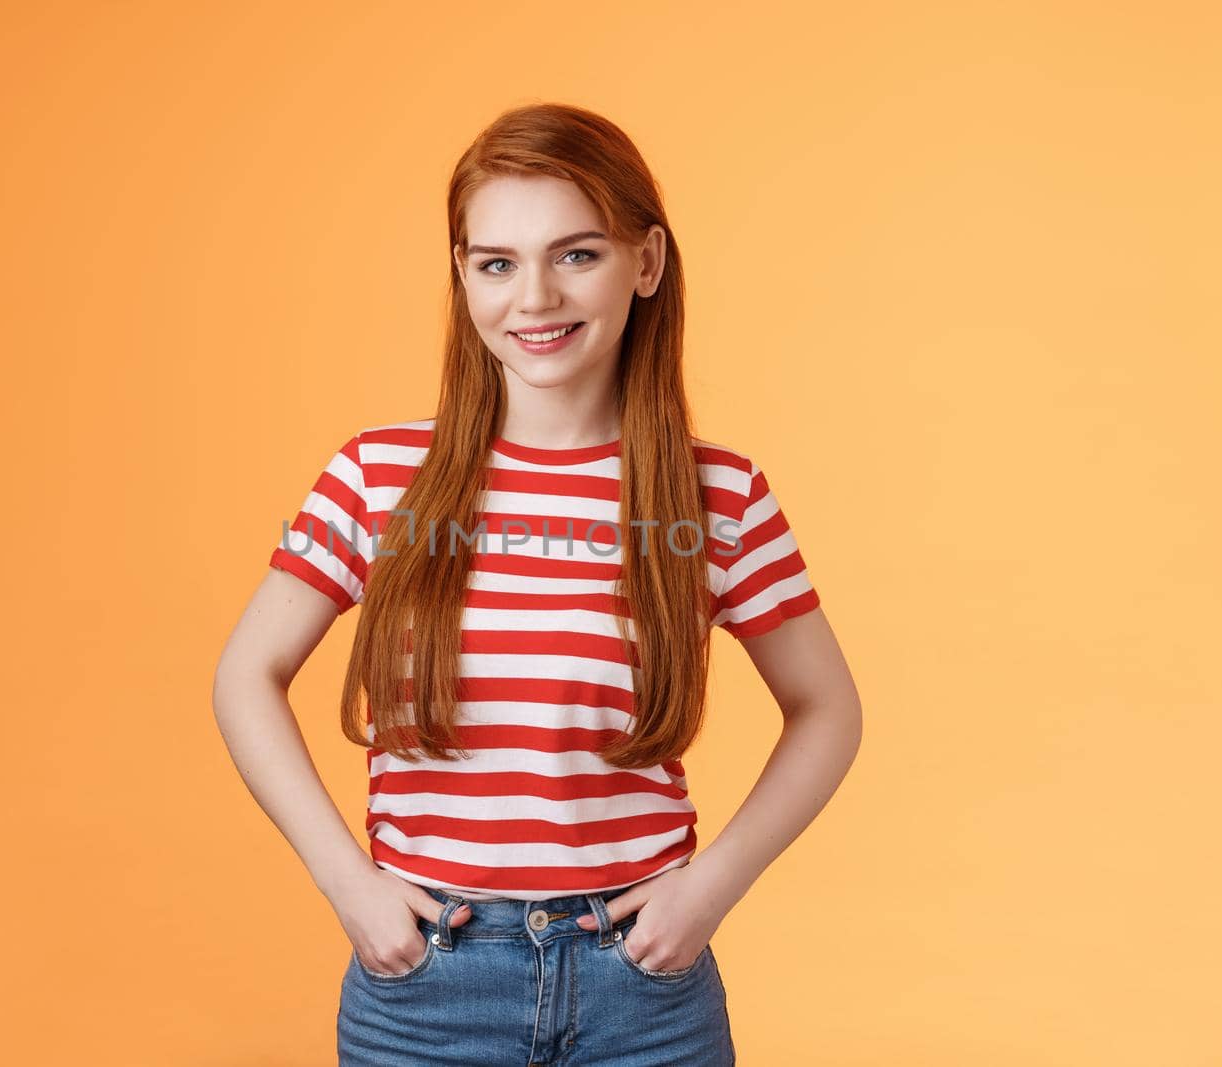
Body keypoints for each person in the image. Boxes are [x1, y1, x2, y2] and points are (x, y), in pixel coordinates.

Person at [213, 101, 863, 1066]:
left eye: (577, 255)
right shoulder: (376, 477)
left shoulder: (715, 493)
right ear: (465, 277)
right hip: (427, 985)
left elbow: (828, 710)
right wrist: (346, 880)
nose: (534, 299)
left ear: (646, 263)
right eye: (497, 263)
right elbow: (244, 676)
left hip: (641, 991)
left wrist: (711, 885)